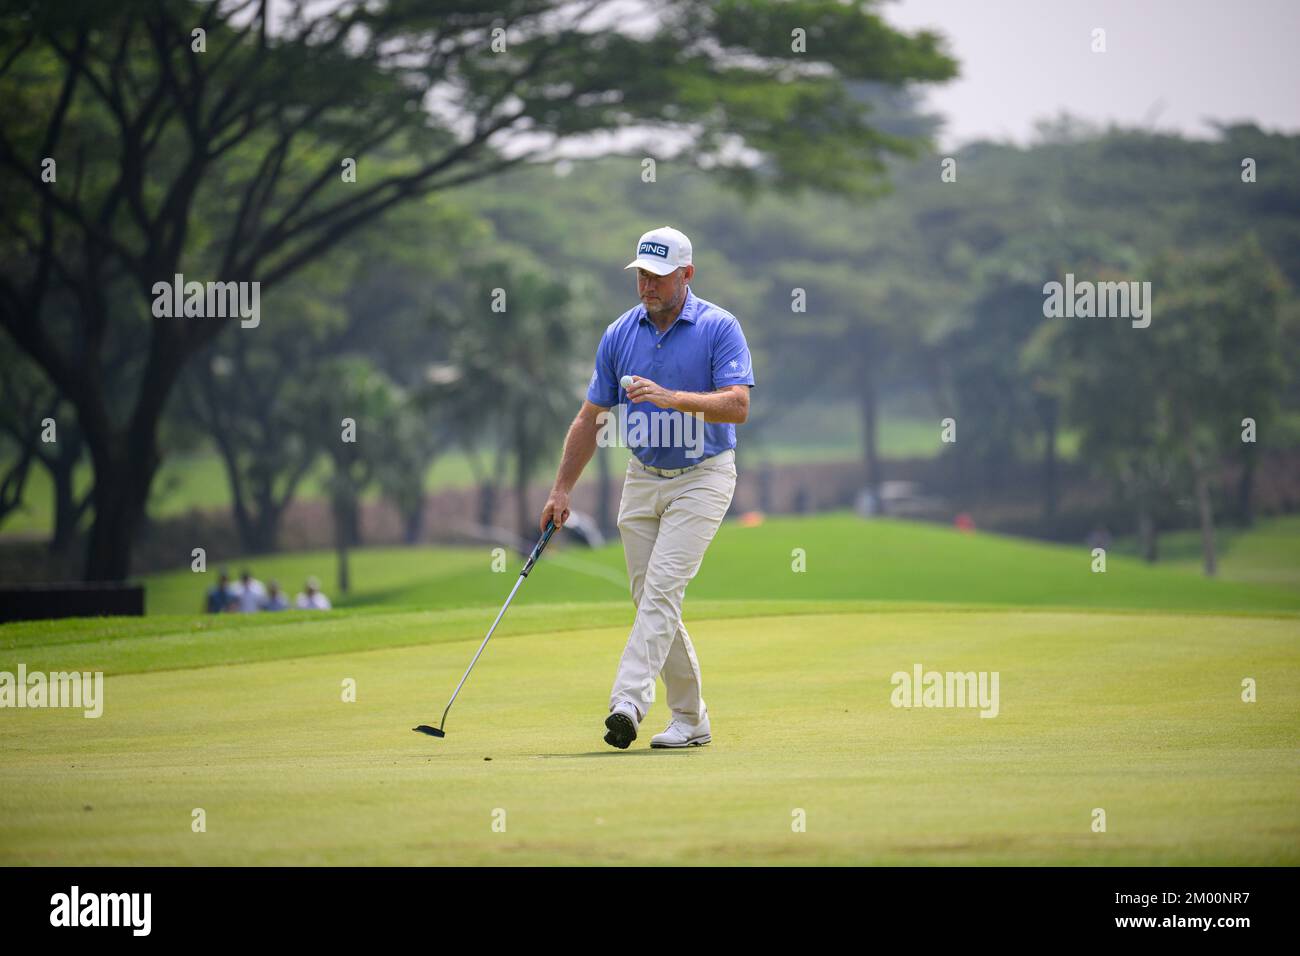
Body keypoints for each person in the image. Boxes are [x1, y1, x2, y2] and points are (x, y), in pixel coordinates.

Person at [540, 226, 755, 750]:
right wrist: (561, 489)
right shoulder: (619, 333)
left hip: (703, 475)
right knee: (649, 598)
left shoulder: (719, 327)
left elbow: (738, 406)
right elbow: (592, 416)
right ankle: (692, 718)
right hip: (642, 477)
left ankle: (627, 703)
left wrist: (671, 398)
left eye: (658, 277)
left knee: (661, 590)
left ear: (686, 275)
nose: (647, 286)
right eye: (641, 275)